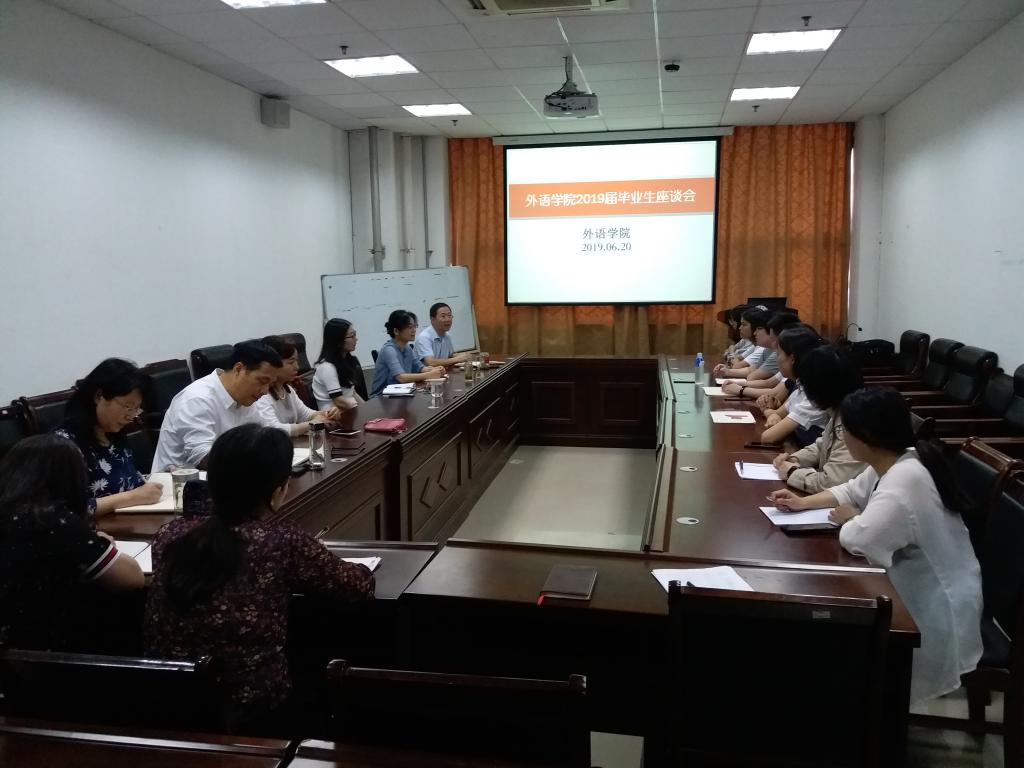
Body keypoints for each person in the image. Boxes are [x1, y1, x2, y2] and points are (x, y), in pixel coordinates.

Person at [144, 424, 374, 729]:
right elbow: (357, 587)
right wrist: (360, 567)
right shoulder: (281, 541)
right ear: (278, 491)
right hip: (254, 710)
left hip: (168, 700)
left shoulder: (169, 534)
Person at [768, 388, 982, 705]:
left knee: (831, 630)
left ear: (866, 436)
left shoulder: (905, 480)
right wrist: (803, 503)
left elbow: (858, 539)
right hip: (915, 587)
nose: (843, 438)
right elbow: (850, 490)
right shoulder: (896, 458)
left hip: (935, 608)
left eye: (847, 431)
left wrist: (852, 518)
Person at [0, 435, 145, 651]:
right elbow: (132, 578)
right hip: (39, 653)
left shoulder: (13, 511)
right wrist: (98, 543)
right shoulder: (50, 520)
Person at [152, 340, 282, 472]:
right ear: (238, 369)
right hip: (180, 482)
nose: (265, 391)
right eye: (262, 381)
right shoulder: (197, 399)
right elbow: (203, 457)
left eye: (270, 384)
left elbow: (265, 438)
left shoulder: (246, 397)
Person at [54, 358, 163, 514]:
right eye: (128, 407)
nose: (131, 417)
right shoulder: (64, 445)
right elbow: (66, 510)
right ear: (99, 396)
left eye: (136, 409)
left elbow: (132, 482)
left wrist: (165, 474)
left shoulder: (114, 434)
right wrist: (132, 497)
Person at [772, 345, 866, 492]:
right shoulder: (840, 409)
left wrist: (791, 472)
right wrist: (794, 459)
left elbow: (830, 483)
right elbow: (821, 446)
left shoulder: (855, 423)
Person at [255, 335, 338, 437]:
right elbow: (274, 429)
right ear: (273, 364)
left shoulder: (288, 390)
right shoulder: (261, 395)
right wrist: (311, 424)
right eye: (291, 362)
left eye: (297, 361)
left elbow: (307, 414)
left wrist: (328, 413)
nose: (297, 367)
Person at [760, 327, 828, 446]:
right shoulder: (801, 386)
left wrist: (768, 411)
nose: (777, 359)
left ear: (792, 359)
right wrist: (771, 413)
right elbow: (777, 414)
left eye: (779, 354)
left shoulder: (813, 397)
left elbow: (768, 437)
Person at [370, 310, 446, 398]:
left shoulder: (407, 347)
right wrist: (429, 375)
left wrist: (436, 370)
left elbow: (420, 368)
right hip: (381, 398)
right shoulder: (388, 350)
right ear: (396, 331)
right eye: (410, 327)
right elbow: (401, 378)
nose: (414, 330)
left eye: (415, 326)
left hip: (401, 393)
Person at [722, 312, 802, 394]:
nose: (754, 333)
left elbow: (754, 377)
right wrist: (734, 381)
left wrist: (740, 389)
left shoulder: (784, 355)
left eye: (759, 328)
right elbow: (767, 382)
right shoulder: (767, 349)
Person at [312, 318, 368, 411]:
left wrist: (367, 409)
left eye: (355, 334)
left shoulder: (347, 361)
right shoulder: (327, 367)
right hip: (333, 415)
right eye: (352, 336)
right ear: (338, 341)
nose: (356, 339)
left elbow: (352, 392)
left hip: (349, 411)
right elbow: (339, 401)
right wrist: (361, 411)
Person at [713, 306, 771, 379]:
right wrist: (726, 370)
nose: (740, 328)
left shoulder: (762, 348)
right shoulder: (757, 346)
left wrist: (731, 359)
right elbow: (750, 369)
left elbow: (748, 373)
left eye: (744, 324)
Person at [414, 302, 470, 368]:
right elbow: (431, 362)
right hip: (425, 374)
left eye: (449, 315)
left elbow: (450, 355)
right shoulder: (424, 337)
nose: (448, 319)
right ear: (432, 320)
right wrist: (457, 359)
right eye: (443, 316)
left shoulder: (447, 335)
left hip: (441, 372)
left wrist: (464, 356)